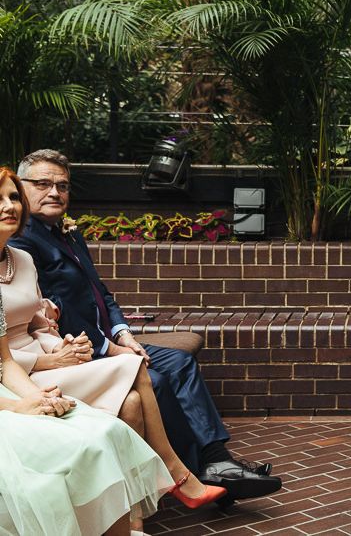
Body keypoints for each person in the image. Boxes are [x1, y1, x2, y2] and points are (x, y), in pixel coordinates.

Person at [9, 150, 281, 502]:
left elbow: (100, 293)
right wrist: (110, 348)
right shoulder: (21, 242)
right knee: (157, 380)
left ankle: (217, 460)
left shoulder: (68, 234)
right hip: (76, 351)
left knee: (180, 363)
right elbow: (51, 316)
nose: (55, 192)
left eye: (62, 185)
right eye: (43, 184)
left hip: (110, 341)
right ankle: (196, 472)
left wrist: (124, 334)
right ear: (21, 187)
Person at [0, 169, 227, 535]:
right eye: (5, 197)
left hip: (43, 359)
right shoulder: (30, 246)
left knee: (135, 402)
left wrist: (64, 345)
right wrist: (48, 361)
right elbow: (6, 358)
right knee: (134, 365)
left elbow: (39, 321)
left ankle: (135, 522)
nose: (9, 206)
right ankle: (174, 471)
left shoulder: (21, 260)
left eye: (12, 198)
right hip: (24, 373)